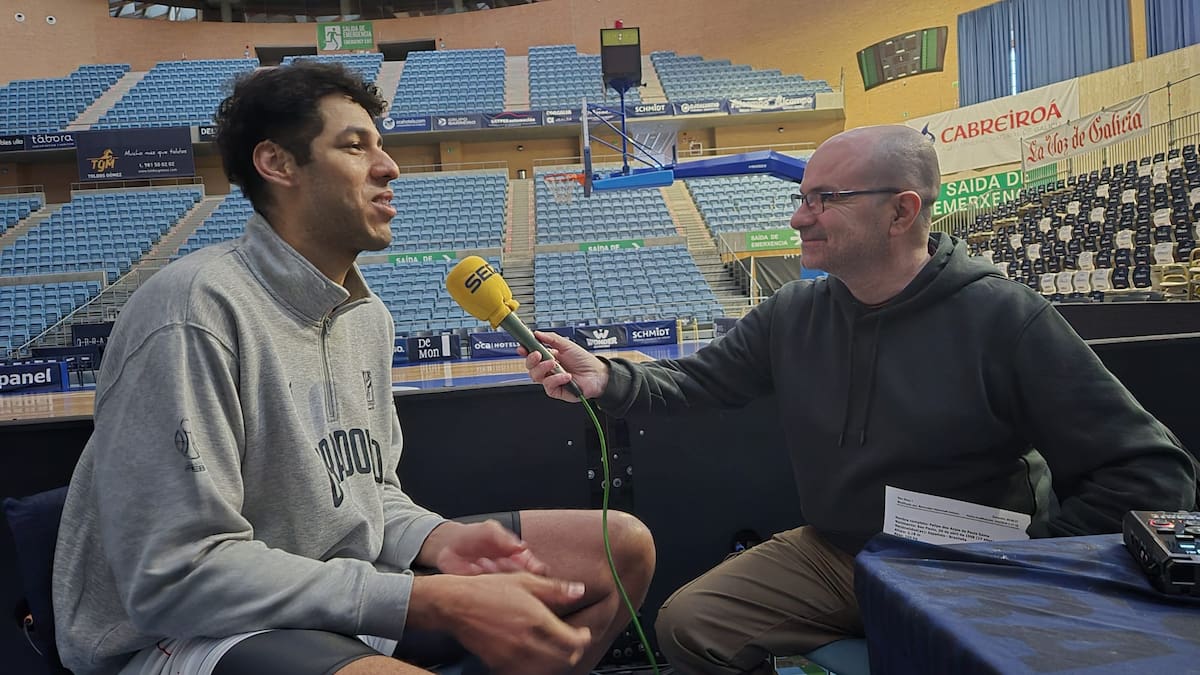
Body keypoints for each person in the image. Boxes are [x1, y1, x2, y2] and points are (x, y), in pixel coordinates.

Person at [523, 124, 1198, 674]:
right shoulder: (793, 311)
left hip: (966, 566)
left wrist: (1029, 559)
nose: (798, 216)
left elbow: (1152, 473)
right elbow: (698, 381)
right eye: (802, 197)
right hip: (838, 550)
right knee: (689, 625)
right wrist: (607, 379)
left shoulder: (1003, 318)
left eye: (823, 199)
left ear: (901, 210)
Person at [53, 61, 655, 675]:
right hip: (189, 630)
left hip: (336, 594)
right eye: (354, 145)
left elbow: (370, 494)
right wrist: (427, 598)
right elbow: (176, 575)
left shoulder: (368, 318)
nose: (390, 167)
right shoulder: (192, 311)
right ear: (278, 164)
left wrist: (434, 540)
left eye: (382, 145)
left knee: (619, 550)